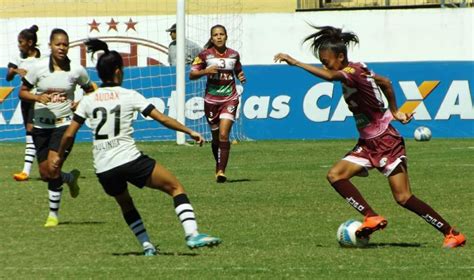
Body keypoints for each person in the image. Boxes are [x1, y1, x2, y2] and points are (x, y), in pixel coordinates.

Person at [274, 25, 466, 248]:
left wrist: (295, 62)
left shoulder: (350, 73)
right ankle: (371, 216)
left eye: (326, 61)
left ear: (341, 57)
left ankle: (452, 233)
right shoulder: (358, 69)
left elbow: (330, 76)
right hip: (367, 142)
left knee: (403, 198)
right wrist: (394, 111)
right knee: (335, 175)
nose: (325, 65)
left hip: (386, 141)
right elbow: (385, 82)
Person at [51, 38, 221, 256]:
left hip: (103, 167)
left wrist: (58, 157)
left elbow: (69, 134)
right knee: (175, 188)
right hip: (130, 159)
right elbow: (162, 119)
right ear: (118, 72)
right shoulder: (129, 95)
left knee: (126, 204)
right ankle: (192, 234)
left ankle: (147, 246)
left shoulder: (88, 99)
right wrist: (190, 131)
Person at [19, 28, 96, 227]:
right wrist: (37, 97)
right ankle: (69, 178)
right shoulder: (38, 68)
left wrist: (80, 104)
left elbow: (91, 90)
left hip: (64, 124)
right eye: (58, 44)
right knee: (46, 173)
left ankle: (53, 215)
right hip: (40, 126)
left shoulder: (76, 70)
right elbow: (23, 92)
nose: (62, 48)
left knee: (54, 165)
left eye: (65, 44)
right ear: (50, 46)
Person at [189, 24, 246, 183]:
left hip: (230, 98)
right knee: (215, 138)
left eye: (222, 34)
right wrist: (205, 71)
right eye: (215, 35)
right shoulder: (204, 55)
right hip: (211, 101)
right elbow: (192, 75)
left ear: (226, 36)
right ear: (212, 38)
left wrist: (240, 76)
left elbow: (238, 69)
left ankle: (221, 170)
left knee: (223, 135)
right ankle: (218, 164)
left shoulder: (234, 55)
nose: (219, 37)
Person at [7, 25, 41, 181]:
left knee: (31, 130)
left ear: (30, 42)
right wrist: (15, 71)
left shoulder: (43, 57)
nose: (19, 45)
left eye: (21, 42)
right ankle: (32, 169)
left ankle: (26, 171)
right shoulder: (18, 57)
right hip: (26, 98)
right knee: (30, 131)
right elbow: (8, 77)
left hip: (40, 98)